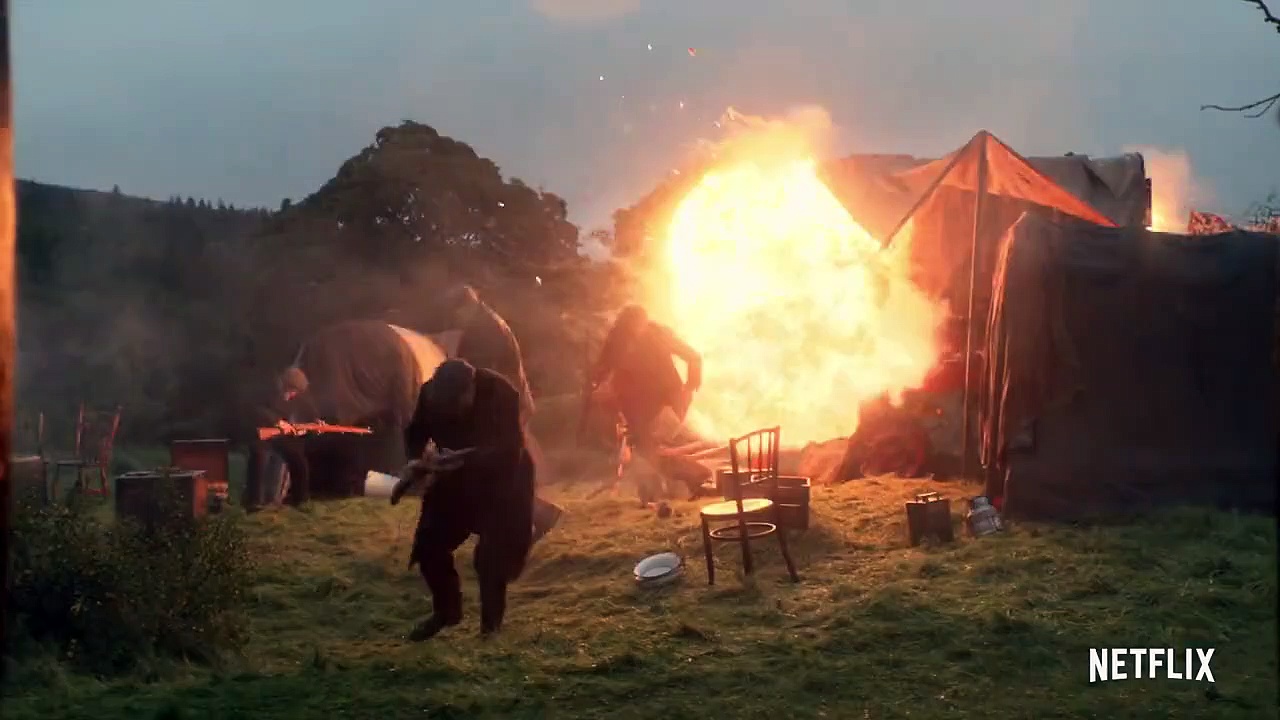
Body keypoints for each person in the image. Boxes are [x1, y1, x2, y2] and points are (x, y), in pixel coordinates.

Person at [394, 359, 535, 640]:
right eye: (446, 406)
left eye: (458, 403)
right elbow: (415, 432)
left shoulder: (500, 392)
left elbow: (511, 449)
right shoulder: (430, 395)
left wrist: (467, 458)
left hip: (504, 480)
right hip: (454, 478)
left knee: (491, 558)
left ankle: (490, 629)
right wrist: (416, 460)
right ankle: (446, 611)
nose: (453, 412)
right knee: (429, 543)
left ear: (472, 387)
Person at [443, 283, 562, 543]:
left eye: (456, 313)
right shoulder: (485, 323)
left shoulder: (484, 331)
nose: (455, 320)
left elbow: (479, 375)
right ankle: (534, 517)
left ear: (466, 306)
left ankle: (535, 517)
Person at [588, 304, 703, 505]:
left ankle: (693, 478)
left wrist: (689, 387)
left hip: (667, 402)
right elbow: (602, 370)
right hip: (636, 407)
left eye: (639, 325)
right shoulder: (617, 340)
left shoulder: (659, 335)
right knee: (647, 451)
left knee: (652, 450)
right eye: (632, 326)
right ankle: (661, 490)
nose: (637, 331)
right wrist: (599, 388)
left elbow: (693, 357)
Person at [243, 367, 320, 511]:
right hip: (261, 435)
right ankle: (254, 502)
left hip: (282, 438)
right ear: (283, 385)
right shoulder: (268, 392)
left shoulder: (300, 397)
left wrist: (315, 423)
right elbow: (257, 410)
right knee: (260, 456)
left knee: (299, 459)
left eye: (295, 392)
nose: (292, 395)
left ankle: (300, 500)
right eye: (290, 390)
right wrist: (277, 421)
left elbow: (310, 414)